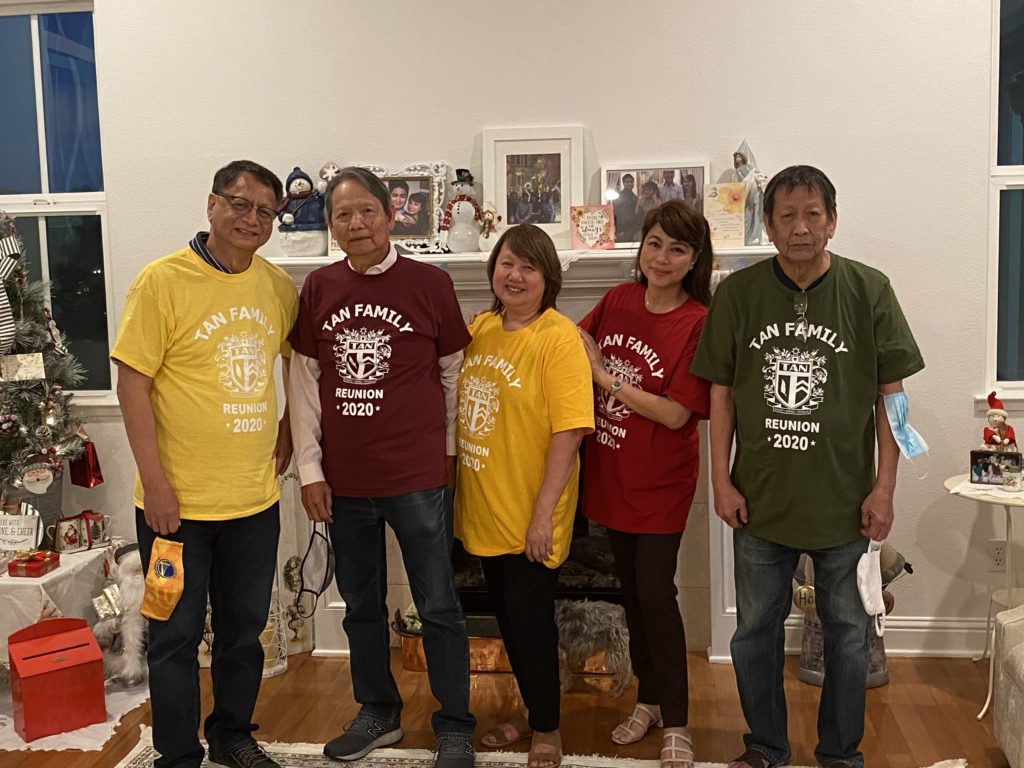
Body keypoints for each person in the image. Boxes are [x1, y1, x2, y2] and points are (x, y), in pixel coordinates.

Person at [690, 165, 925, 768]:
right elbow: (720, 394)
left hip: (845, 506)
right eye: (787, 216)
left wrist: (885, 488)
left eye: (812, 215)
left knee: (848, 634)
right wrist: (720, 480)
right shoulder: (738, 296)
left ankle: (840, 754)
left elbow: (892, 397)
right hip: (759, 503)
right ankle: (766, 746)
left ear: (833, 222)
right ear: (768, 227)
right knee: (753, 633)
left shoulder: (869, 290)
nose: (800, 228)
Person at [112, 159, 299, 768]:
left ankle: (232, 736)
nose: (252, 219)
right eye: (240, 204)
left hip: (254, 502)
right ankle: (176, 755)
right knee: (174, 636)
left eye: (265, 211)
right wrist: (156, 486)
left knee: (244, 634)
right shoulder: (162, 281)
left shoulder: (277, 287)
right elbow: (132, 385)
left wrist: (289, 426)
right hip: (175, 509)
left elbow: (297, 362)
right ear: (212, 205)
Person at [288, 166, 476, 768]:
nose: (356, 223)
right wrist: (310, 470)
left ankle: (455, 723)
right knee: (360, 605)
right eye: (342, 214)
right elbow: (304, 381)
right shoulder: (317, 288)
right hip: (344, 481)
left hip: (417, 476)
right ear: (330, 225)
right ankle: (377, 712)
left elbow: (454, 372)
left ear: (391, 216)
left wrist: (449, 454)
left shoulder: (430, 284)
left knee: (438, 604)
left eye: (367, 210)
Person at [577, 201, 712, 768]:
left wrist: (605, 378)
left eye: (677, 249)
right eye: (654, 243)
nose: (661, 258)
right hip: (610, 475)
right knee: (631, 595)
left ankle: (677, 720)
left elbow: (676, 414)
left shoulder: (697, 322)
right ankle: (649, 700)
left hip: (660, 484)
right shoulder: (618, 300)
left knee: (657, 597)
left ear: (694, 260)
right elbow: (572, 342)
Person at [455, 225, 594, 768]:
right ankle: (533, 712)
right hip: (485, 509)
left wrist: (542, 518)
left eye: (528, 267)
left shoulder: (558, 338)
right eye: (507, 263)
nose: (515, 276)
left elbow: (570, 431)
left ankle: (548, 728)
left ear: (547, 278)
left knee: (531, 625)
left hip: (531, 515)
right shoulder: (481, 329)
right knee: (509, 623)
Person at [612, 173, 643, 242]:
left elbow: (637, 213)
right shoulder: (618, 197)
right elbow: (616, 214)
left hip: (633, 229)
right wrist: (618, 231)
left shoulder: (635, 197)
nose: (629, 184)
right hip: (622, 230)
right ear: (623, 183)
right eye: (627, 182)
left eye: (631, 182)